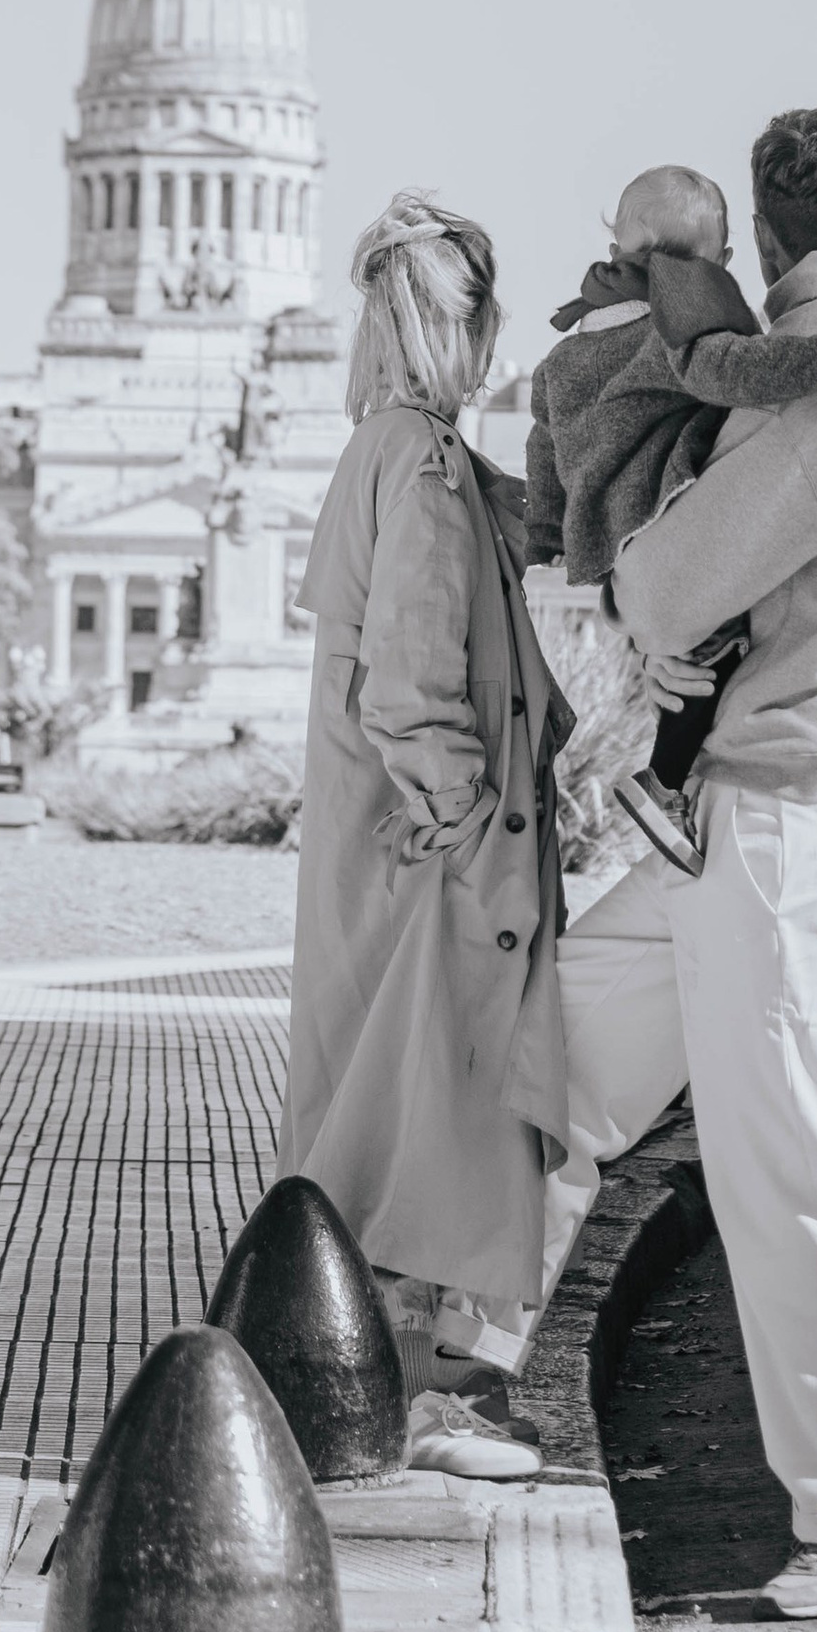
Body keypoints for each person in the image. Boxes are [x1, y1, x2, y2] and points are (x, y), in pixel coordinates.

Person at [477, 109, 817, 1614]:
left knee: (794, 1168)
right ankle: (459, 1372)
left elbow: (666, 586)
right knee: (558, 1067)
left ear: (765, 227)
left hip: (783, 814)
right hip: (753, 814)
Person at [276, 190, 573, 1480]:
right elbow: (409, 680)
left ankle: (377, 1390)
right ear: (467, 328)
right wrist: (470, 829)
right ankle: (414, 1402)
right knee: (429, 1118)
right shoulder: (425, 461)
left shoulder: (383, 450)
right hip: (428, 854)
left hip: (375, 845)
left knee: (378, 1110)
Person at [526, 161, 817, 871]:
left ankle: (671, 774)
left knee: (683, 652)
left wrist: (549, 532)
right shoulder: (677, 315)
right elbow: (726, 369)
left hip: (612, 537)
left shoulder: (567, 348)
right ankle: (665, 780)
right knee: (721, 641)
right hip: (661, 513)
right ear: (718, 258)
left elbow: (543, 441)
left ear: (615, 243)